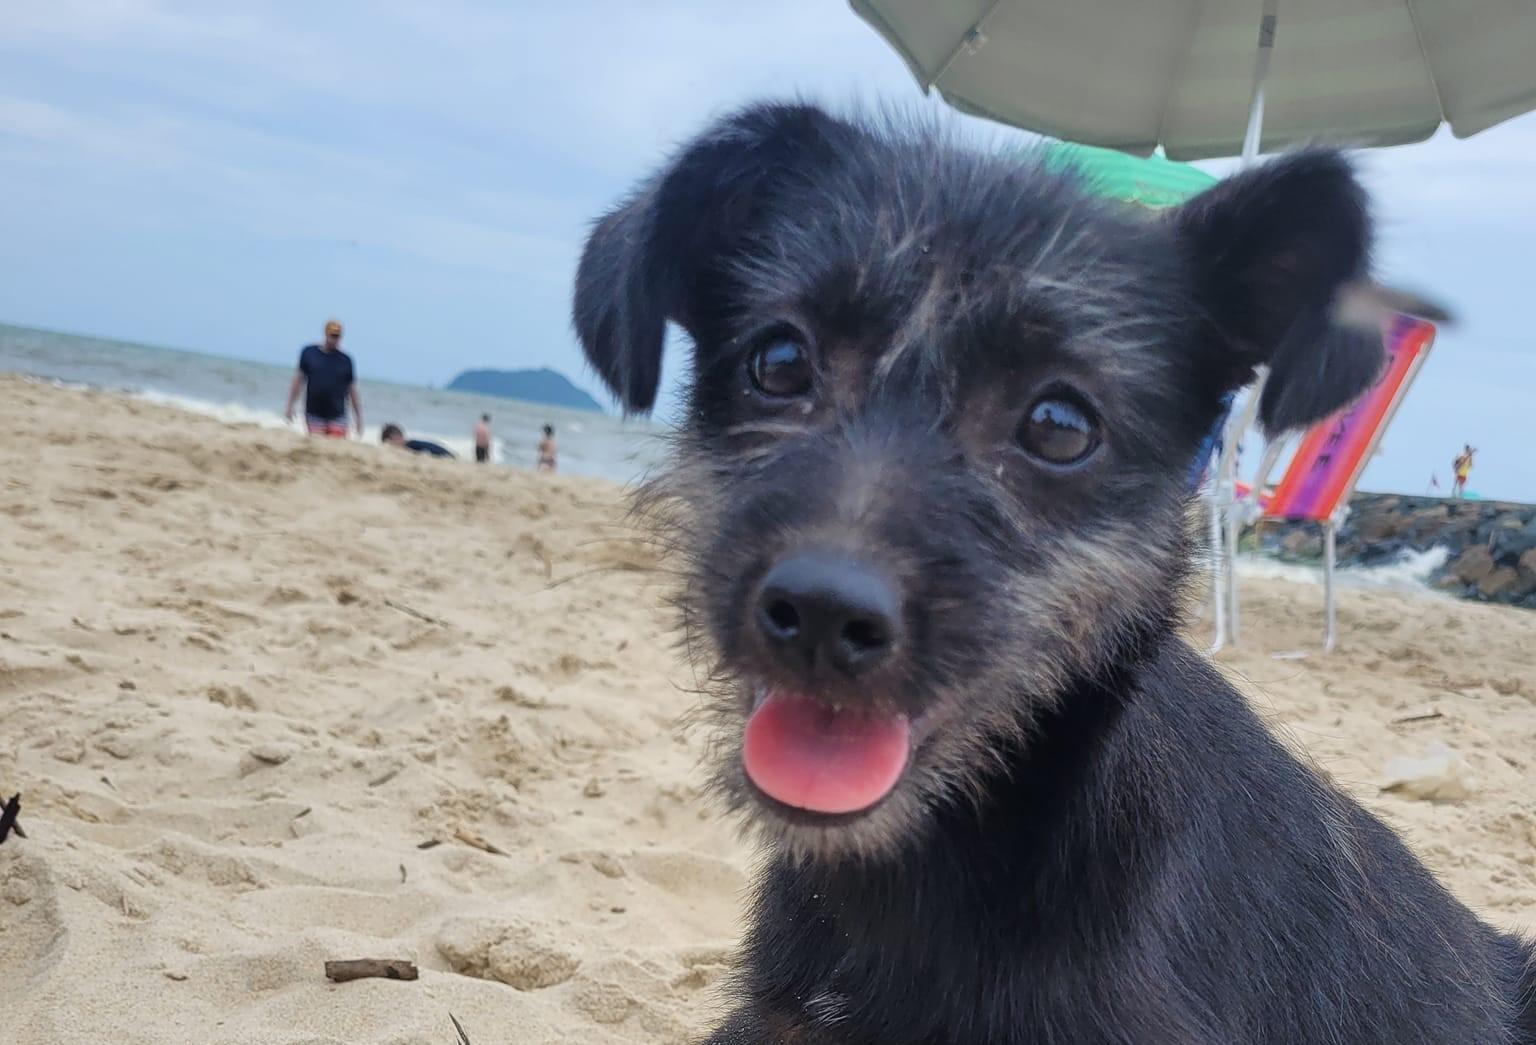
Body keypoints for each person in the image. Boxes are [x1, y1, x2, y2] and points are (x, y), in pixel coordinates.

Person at [285, 319, 362, 438]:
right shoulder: (309, 353)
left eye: (337, 336)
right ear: (326, 334)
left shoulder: (345, 360)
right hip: (314, 412)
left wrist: (358, 418)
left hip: (337, 414)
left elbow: (352, 390)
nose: (334, 339)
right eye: (332, 335)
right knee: (317, 442)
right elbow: (298, 381)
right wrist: (290, 406)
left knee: (336, 447)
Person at [381, 423, 454, 458]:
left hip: (447, 456)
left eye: (390, 443)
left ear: (395, 437)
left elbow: (431, 451)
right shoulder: (412, 443)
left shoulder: (411, 446)